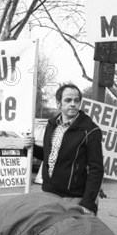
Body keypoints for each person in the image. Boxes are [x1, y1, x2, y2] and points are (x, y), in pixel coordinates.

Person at [23, 83, 104, 214]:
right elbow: (49, 155)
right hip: (49, 194)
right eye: (68, 100)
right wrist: (30, 148)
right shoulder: (51, 125)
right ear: (58, 103)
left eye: (76, 100)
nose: (73, 104)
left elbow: (96, 169)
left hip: (74, 198)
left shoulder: (90, 130)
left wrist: (88, 203)